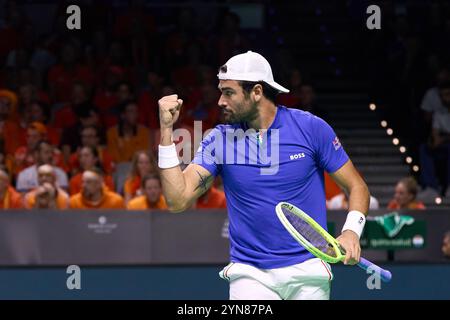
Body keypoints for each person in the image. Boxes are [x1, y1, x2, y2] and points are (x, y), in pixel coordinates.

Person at [157, 51, 370, 300]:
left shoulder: (311, 129)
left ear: (256, 92)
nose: (220, 102)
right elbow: (177, 200)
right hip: (250, 274)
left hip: (309, 270)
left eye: (228, 92)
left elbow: (357, 187)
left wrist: (351, 232)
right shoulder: (219, 140)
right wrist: (166, 130)